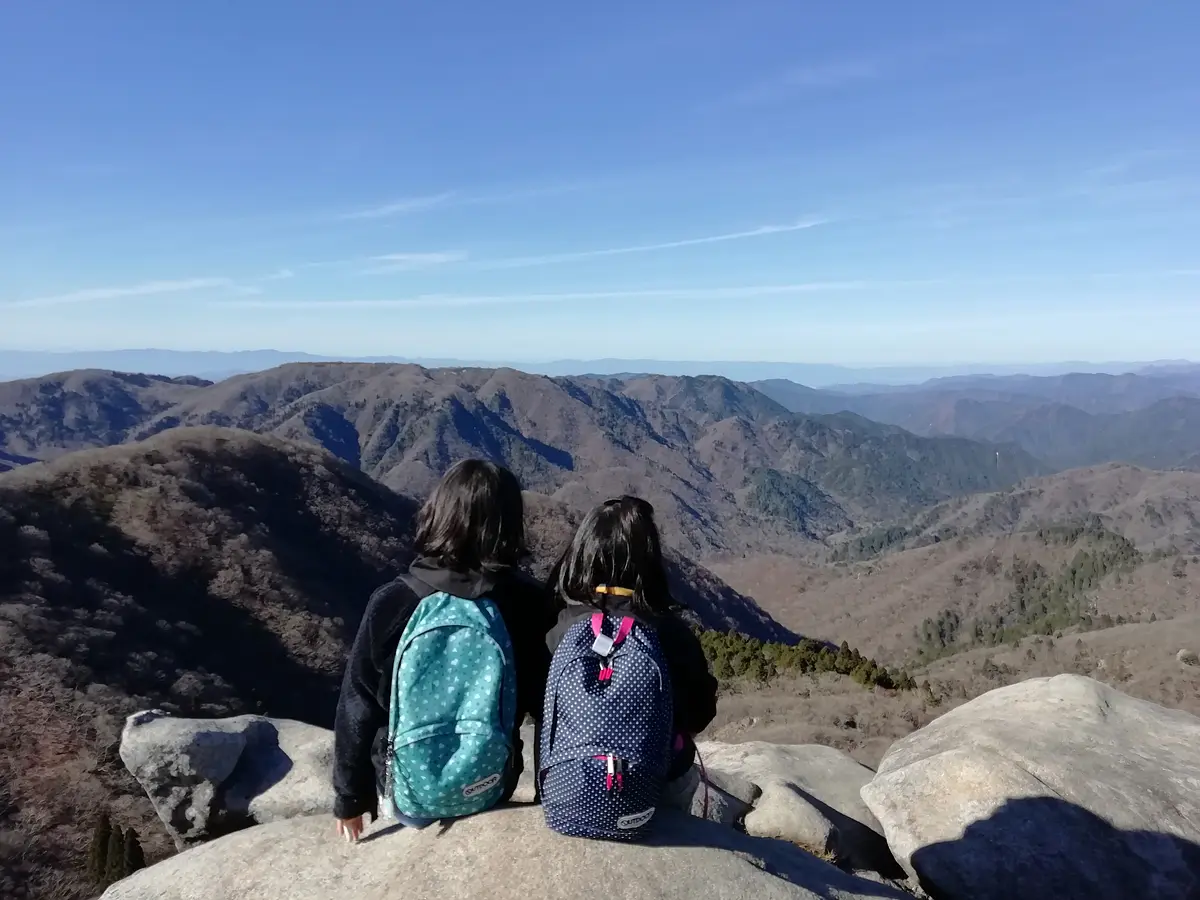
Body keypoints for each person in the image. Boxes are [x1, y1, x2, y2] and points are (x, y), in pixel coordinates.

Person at [332, 459, 555, 842]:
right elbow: (547, 706)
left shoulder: (394, 600)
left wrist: (350, 799)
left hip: (403, 791)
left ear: (438, 514)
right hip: (492, 782)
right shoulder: (529, 603)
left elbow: (358, 704)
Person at [540, 496, 718, 839]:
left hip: (567, 783)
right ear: (649, 560)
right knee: (683, 775)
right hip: (652, 786)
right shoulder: (669, 632)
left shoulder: (559, 629)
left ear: (582, 553)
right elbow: (700, 712)